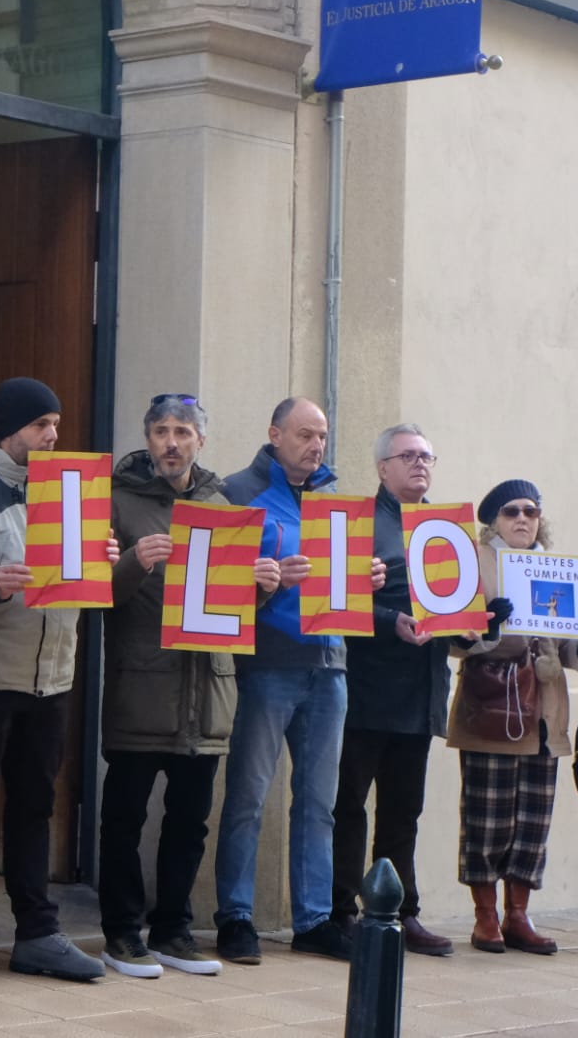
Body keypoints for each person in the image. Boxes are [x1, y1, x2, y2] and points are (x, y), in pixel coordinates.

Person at [0, 377, 117, 990]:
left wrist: (105, 563)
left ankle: (37, 934)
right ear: (10, 428)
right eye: (41, 425)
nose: (53, 435)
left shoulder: (73, 496)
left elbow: (79, 586)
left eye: (56, 424)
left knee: (35, 808)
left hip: (52, 679)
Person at [99, 395, 280, 980]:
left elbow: (230, 611)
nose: (171, 442)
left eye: (182, 431)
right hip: (141, 688)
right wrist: (134, 561)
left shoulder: (223, 506)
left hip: (207, 696)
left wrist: (261, 588)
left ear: (201, 440)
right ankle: (121, 933)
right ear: (147, 438)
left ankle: (173, 929)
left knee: (189, 821)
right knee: (123, 818)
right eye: (160, 431)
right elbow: (94, 595)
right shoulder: (116, 501)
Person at [213, 397, 384, 964]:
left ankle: (313, 920)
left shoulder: (335, 501)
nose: (316, 445)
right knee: (248, 796)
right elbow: (212, 586)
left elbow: (340, 584)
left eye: (323, 436)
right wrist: (265, 580)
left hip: (330, 666)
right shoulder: (236, 493)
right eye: (305, 434)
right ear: (275, 434)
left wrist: (365, 578)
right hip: (267, 665)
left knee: (318, 803)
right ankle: (235, 917)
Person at [447, 479, 578, 956]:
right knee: (487, 817)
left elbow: (567, 644)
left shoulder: (555, 565)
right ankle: (485, 917)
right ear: (494, 520)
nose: (523, 519)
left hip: (544, 708)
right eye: (512, 511)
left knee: (532, 819)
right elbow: (453, 638)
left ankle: (518, 915)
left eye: (531, 510)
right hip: (492, 703)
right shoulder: (474, 563)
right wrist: (486, 624)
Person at [330, 424, 458, 957]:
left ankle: (401, 914)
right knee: (348, 807)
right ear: (382, 468)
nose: (420, 464)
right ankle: (342, 912)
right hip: (364, 688)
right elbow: (334, 600)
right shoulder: (357, 523)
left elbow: (454, 611)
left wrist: (479, 624)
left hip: (421, 692)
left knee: (404, 812)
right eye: (408, 456)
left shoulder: (446, 530)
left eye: (427, 456)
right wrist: (389, 621)